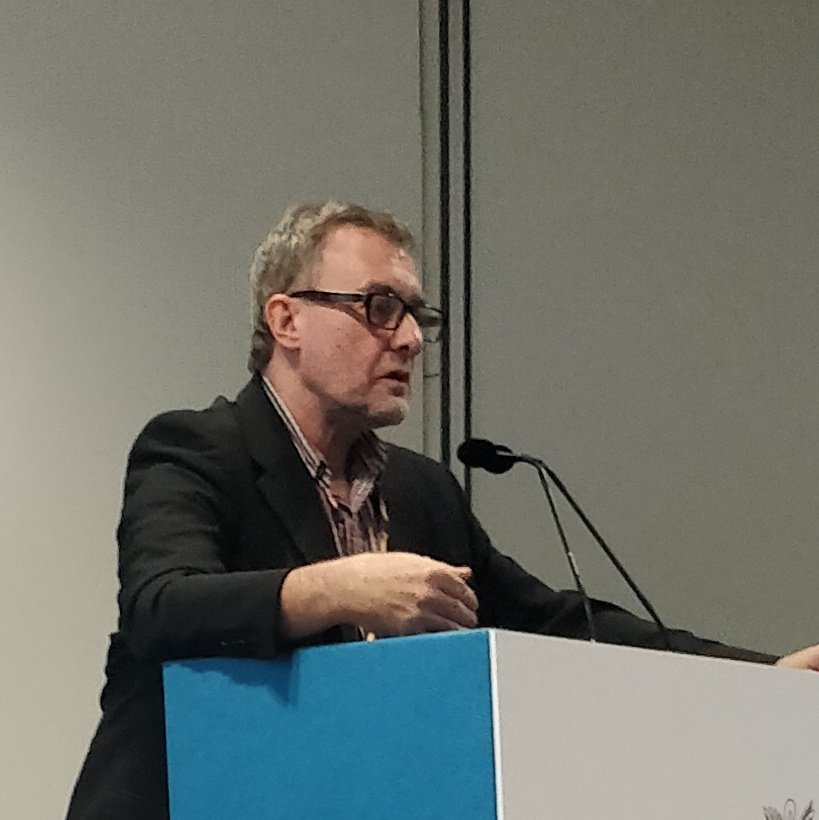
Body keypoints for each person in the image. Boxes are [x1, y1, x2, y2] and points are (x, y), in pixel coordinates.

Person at [66, 201, 819, 819]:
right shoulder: (198, 448)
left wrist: (763, 677)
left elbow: (556, 622)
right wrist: (339, 588)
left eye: (415, 317)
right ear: (287, 319)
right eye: (378, 308)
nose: (406, 340)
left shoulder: (421, 490)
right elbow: (161, 607)